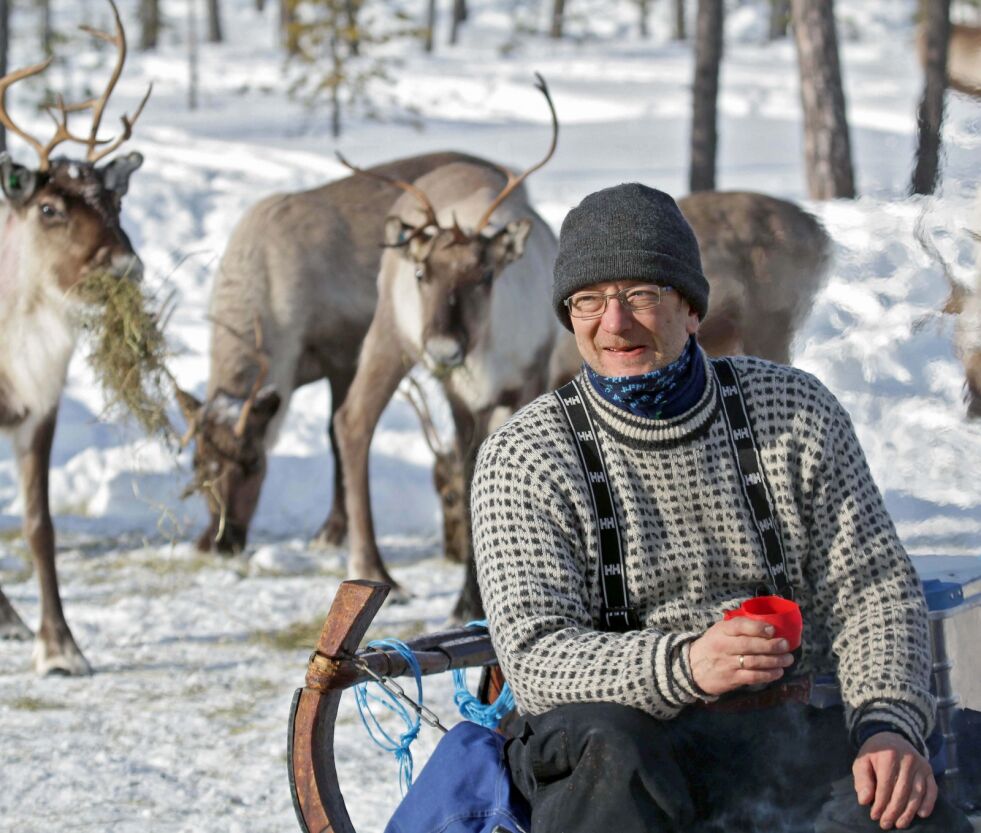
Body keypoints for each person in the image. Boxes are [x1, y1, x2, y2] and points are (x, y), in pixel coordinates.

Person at [470, 184, 971, 833]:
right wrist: (684, 664)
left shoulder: (793, 411)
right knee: (608, 748)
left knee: (906, 812)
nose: (614, 323)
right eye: (589, 301)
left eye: (641, 295)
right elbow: (536, 658)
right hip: (614, 763)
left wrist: (887, 726)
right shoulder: (526, 453)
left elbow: (872, 590)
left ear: (691, 308)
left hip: (778, 735)